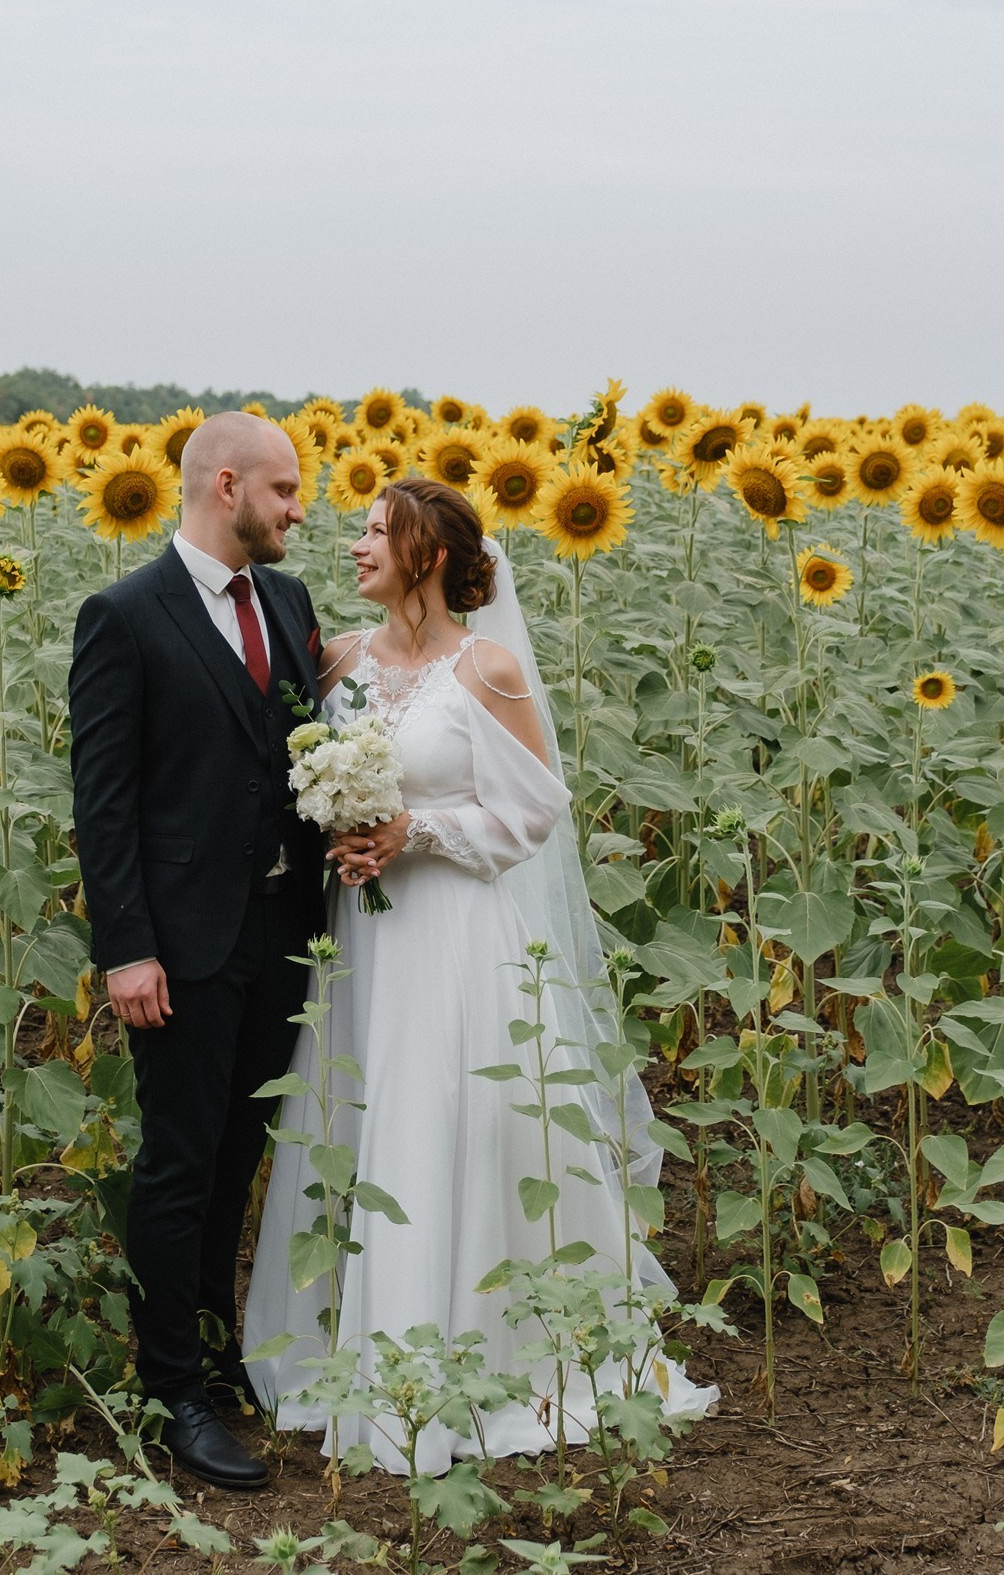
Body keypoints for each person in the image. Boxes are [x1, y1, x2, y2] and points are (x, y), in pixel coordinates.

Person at [244, 477, 714, 1475]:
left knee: (456, 1117)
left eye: (376, 531)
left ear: (425, 555)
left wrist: (415, 830)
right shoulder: (337, 661)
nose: (355, 543)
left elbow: (532, 812)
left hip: (458, 933)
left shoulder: (486, 668)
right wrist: (346, 832)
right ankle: (367, 1359)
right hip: (367, 938)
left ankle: (498, 1354)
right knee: (367, 1117)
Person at [67, 410, 324, 1490]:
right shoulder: (124, 615)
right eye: (284, 491)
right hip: (178, 943)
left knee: (238, 1155)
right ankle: (170, 1388)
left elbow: (304, 748)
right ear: (226, 484)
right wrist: (126, 950)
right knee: (176, 1163)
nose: (298, 510)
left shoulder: (290, 601)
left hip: (281, 933)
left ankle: (220, 1356)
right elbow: (104, 801)